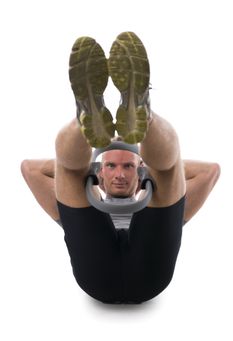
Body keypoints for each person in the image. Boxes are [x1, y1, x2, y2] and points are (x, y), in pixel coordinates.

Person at [21, 32, 220, 304]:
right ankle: (87, 118)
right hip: (96, 275)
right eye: (111, 166)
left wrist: (146, 167)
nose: (119, 173)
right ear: (101, 172)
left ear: (137, 171)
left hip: (150, 273)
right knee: (73, 174)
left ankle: (139, 114)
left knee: (166, 172)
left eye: (128, 166)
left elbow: (211, 171)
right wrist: (88, 171)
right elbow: (29, 169)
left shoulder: (150, 194)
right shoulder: (91, 192)